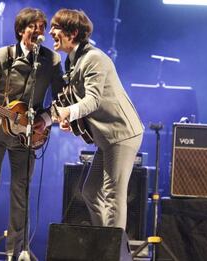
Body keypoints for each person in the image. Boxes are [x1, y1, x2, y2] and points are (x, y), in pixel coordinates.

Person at [0, 7, 65, 261]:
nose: (38, 32)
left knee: (21, 191)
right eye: (32, 27)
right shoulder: (3, 55)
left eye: (42, 28)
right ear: (21, 30)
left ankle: (17, 251)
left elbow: (61, 99)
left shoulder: (51, 60)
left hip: (27, 135)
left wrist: (45, 120)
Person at [50, 9, 144, 230]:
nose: (51, 32)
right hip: (107, 138)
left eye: (56, 28)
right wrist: (64, 117)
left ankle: (113, 249)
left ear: (72, 33)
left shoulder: (94, 58)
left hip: (121, 134)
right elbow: (77, 100)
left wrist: (69, 112)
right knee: (91, 192)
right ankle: (103, 241)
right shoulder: (73, 61)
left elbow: (92, 100)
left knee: (113, 197)